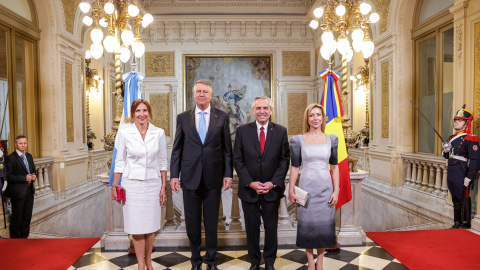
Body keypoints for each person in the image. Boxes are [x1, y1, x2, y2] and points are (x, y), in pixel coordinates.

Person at [170, 79, 233, 270]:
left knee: (212, 223)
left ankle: (211, 261)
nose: (202, 94)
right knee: (192, 223)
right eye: (199, 91)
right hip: (190, 178)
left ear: (211, 95)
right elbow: (177, 149)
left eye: (205, 91)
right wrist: (174, 175)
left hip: (213, 179)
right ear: (193, 94)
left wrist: (228, 174)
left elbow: (226, 150)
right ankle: (196, 260)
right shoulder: (183, 118)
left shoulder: (222, 117)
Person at [233, 96, 290, 270]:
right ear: (253, 111)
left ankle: (270, 262)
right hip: (249, 190)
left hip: (271, 190)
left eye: (265, 108)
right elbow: (237, 159)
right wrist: (250, 183)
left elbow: (284, 160)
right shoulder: (242, 131)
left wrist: (273, 183)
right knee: (251, 228)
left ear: (271, 111)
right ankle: (255, 261)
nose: (262, 111)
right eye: (258, 108)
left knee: (271, 228)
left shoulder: (280, 131)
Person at [111, 99, 168, 270]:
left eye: (144, 110)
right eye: (138, 111)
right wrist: (115, 185)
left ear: (149, 112)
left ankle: (149, 261)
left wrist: (163, 186)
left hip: (152, 184)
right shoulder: (124, 133)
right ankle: (140, 264)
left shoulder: (159, 133)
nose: (141, 114)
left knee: (150, 226)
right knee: (136, 227)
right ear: (133, 114)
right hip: (132, 186)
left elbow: (163, 162)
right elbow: (119, 161)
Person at [288, 103, 339, 270]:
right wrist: (291, 189)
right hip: (306, 190)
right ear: (307, 118)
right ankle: (311, 263)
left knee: (324, 228)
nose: (315, 118)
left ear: (323, 118)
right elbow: (295, 166)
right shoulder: (298, 140)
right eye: (312, 115)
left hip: (325, 190)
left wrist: (336, 191)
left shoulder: (331, 139)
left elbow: (335, 167)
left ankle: (321, 263)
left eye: (318, 114)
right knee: (307, 228)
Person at [442, 105, 479, 229]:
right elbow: (447, 157)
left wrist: (470, 176)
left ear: (466, 123)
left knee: (463, 196)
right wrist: (446, 150)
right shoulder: (451, 138)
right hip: (452, 170)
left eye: (460, 120)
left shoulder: (471, 138)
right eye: (455, 120)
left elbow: (475, 159)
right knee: (455, 198)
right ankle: (457, 221)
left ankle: (465, 222)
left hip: (461, 170)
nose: (456, 122)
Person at [4, 135, 36, 238]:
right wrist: (24, 178)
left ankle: (24, 238)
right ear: (15, 144)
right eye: (20, 143)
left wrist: (34, 176)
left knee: (27, 217)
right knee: (17, 218)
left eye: (25, 143)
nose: (23, 145)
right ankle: (16, 240)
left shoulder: (29, 156)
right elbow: (8, 176)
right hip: (18, 192)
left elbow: (32, 171)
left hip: (29, 191)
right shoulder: (10, 158)